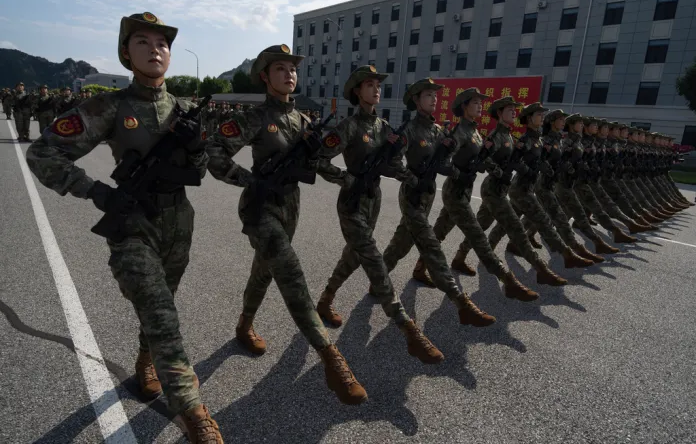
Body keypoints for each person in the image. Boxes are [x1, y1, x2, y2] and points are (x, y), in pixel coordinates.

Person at [26, 12, 223, 443]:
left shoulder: (184, 109)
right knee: (162, 314)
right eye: (142, 42)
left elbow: (200, 170)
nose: (155, 49)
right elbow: (43, 154)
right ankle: (194, 413)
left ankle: (145, 362)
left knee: (162, 305)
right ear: (126, 53)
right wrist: (97, 192)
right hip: (132, 223)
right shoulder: (109, 106)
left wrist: (195, 149)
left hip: (178, 223)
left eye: (163, 43)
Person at [206, 44, 368, 406]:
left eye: (292, 69)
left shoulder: (304, 121)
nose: (289, 74)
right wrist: (247, 180)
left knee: (264, 271)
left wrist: (346, 178)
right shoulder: (255, 117)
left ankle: (244, 324)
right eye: (280, 69)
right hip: (260, 207)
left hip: (289, 206)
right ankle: (331, 357)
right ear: (265, 76)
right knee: (290, 270)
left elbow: (320, 161)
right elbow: (214, 151)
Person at [314, 65, 445, 364]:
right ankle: (407, 327)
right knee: (373, 256)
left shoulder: (385, 128)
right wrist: (345, 178)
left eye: (378, 85)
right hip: (351, 201)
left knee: (355, 255)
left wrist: (413, 179)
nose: (375, 89)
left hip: (373, 198)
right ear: (357, 91)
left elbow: (394, 165)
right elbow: (318, 159)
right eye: (369, 85)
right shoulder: (348, 126)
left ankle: (325, 299)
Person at [377, 78, 496, 327]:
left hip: (429, 193)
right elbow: (392, 163)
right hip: (411, 194)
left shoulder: (440, 131)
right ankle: (460, 301)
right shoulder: (408, 130)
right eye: (428, 95)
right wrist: (411, 179)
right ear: (416, 100)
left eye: (435, 95)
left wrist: (458, 172)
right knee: (431, 244)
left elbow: (448, 161)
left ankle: (379, 277)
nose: (434, 99)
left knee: (403, 240)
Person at [423, 88, 539, 301]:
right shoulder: (459, 132)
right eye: (475, 102)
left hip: (465, 190)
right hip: (455, 191)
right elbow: (442, 162)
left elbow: (484, 158)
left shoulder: (476, 132)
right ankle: (509, 280)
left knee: (439, 231)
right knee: (478, 235)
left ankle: (425, 267)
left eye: (481, 103)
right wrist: (460, 172)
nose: (480, 106)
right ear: (464, 106)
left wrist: (486, 166)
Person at [455, 96, 568, 286]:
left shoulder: (510, 136)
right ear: (499, 113)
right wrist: (500, 171)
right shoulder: (495, 136)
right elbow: (483, 159)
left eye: (515, 111)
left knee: (481, 225)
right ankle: (541, 269)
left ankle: (460, 257)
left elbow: (518, 159)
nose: (513, 113)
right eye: (509, 111)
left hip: (500, 188)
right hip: (493, 189)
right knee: (515, 227)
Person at [484, 103, 594, 268]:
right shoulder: (525, 140)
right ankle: (567, 253)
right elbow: (514, 161)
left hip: (529, 186)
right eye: (539, 115)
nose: (542, 117)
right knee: (543, 220)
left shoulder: (540, 140)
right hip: (520, 188)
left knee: (507, 223)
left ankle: (489, 248)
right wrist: (527, 170)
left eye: (543, 115)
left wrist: (548, 167)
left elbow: (541, 160)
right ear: (529, 118)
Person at [523, 110, 616, 256]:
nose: (563, 122)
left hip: (558, 181)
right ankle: (581, 247)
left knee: (545, 213)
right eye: (561, 120)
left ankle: (526, 236)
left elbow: (561, 159)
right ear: (553, 122)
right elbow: (541, 159)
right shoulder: (549, 139)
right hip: (548, 182)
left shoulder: (561, 139)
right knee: (558, 214)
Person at [555, 113, 635, 245]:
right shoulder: (569, 141)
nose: (597, 128)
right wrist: (576, 169)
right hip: (570, 181)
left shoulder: (582, 141)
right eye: (593, 125)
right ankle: (615, 231)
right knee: (592, 205)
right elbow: (562, 162)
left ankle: (615, 231)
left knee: (572, 208)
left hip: (583, 179)